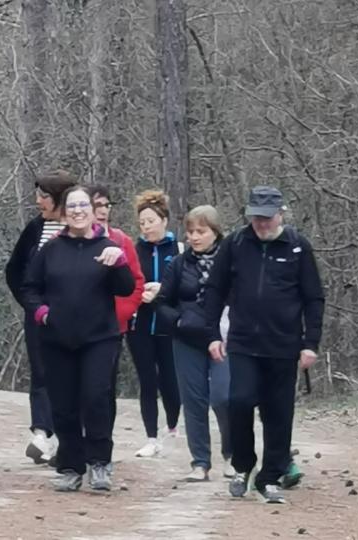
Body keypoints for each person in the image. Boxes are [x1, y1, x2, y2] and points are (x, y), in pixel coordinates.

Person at [205, 185, 325, 504]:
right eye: (256, 218)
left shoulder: (298, 247)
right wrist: (212, 335)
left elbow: (313, 298)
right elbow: (215, 291)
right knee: (240, 402)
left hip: (284, 345)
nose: (261, 224)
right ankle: (243, 466)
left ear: (280, 215)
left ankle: (269, 477)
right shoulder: (235, 244)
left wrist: (310, 343)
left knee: (278, 413)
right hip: (243, 342)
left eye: (267, 218)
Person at [22, 185, 136, 492]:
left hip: (99, 337)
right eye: (71, 206)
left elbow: (125, 289)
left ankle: (100, 463)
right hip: (57, 339)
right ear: (64, 212)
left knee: (96, 398)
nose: (77, 211)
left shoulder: (109, 245)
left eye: (83, 205)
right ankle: (71, 466)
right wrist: (41, 312)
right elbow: (28, 287)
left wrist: (120, 263)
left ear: (92, 209)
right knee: (63, 404)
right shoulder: (51, 249)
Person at [150, 205, 233, 481]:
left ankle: (232, 454)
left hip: (224, 337)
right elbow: (163, 302)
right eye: (190, 231)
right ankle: (200, 462)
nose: (195, 237)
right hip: (186, 340)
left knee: (223, 397)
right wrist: (177, 322)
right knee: (193, 401)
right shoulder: (179, 263)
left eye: (202, 231)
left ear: (215, 232)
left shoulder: (231, 262)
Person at [5, 170, 77, 464]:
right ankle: (41, 432)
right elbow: (14, 270)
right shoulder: (35, 229)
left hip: (74, 316)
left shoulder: (78, 228)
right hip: (38, 315)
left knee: (70, 376)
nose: (38, 201)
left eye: (43, 196)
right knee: (41, 373)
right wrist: (30, 304)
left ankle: (65, 438)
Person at [127, 190, 182, 458]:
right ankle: (150, 437)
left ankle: (172, 427)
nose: (146, 226)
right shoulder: (134, 251)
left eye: (150, 220)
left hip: (170, 326)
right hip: (140, 325)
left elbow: (187, 287)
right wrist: (140, 295)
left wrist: (162, 291)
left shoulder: (179, 249)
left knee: (170, 381)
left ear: (164, 220)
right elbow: (126, 286)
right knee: (147, 381)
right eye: (142, 223)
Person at [88, 185, 145, 443]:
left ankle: (101, 445)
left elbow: (136, 283)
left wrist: (120, 314)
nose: (102, 211)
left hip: (112, 328)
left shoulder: (121, 241)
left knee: (103, 389)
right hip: (75, 327)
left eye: (106, 205)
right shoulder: (69, 243)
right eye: (96, 205)